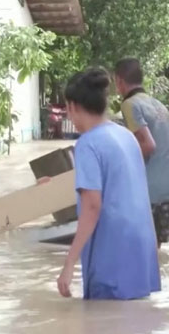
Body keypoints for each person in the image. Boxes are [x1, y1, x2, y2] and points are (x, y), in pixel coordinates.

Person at [41, 67, 161, 300]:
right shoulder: (126, 136)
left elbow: (92, 206)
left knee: (103, 330)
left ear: (73, 106)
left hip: (111, 252)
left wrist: (68, 265)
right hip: (141, 251)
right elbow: (132, 192)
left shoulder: (88, 144)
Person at [114, 58, 169, 248]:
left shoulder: (130, 104)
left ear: (119, 81)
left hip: (149, 191)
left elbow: (148, 145)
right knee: (153, 253)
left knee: (136, 251)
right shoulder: (159, 105)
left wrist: (121, 170)